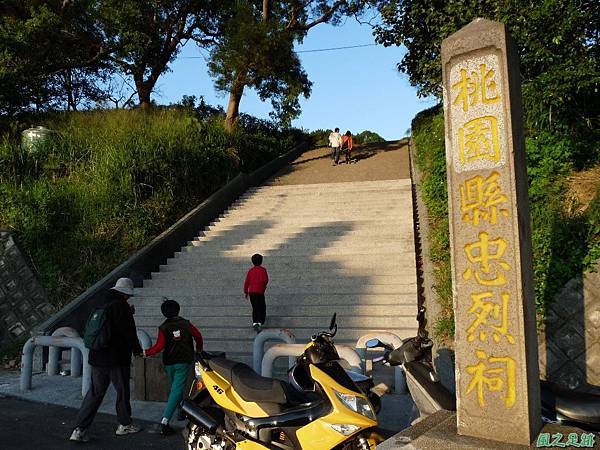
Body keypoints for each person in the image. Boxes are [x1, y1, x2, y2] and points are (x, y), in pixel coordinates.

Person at [70, 277, 143, 442]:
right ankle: (124, 424)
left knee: (95, 393)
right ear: (125, 294)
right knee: (122, 392)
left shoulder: (101, 304)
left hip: (96, 357)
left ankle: (79, 429)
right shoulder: (121, 306)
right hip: (116, 359)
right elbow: (128, 332)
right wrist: (137, 350)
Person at [144, 299, 204, 435]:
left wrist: (145, 352)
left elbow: (159, 346)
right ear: (178, 309)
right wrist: (199, 349)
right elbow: (198, 336)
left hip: (169, 362)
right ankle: (165, 420)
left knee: (175, 388)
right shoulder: (186, 324)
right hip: (183, 360)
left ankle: (180, 411)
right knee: (176, 390)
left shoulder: (163, 327)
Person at [244, 254, 269, 332]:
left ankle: (255, 322)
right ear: (261, 261)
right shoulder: (263, 270)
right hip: (259, 291)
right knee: (262, 307)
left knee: (255, 307)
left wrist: (246, 291)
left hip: (252, 292)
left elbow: (247, 281)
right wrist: (264, 286)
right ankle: (260, 322)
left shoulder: (250, 271)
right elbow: (265, 280)